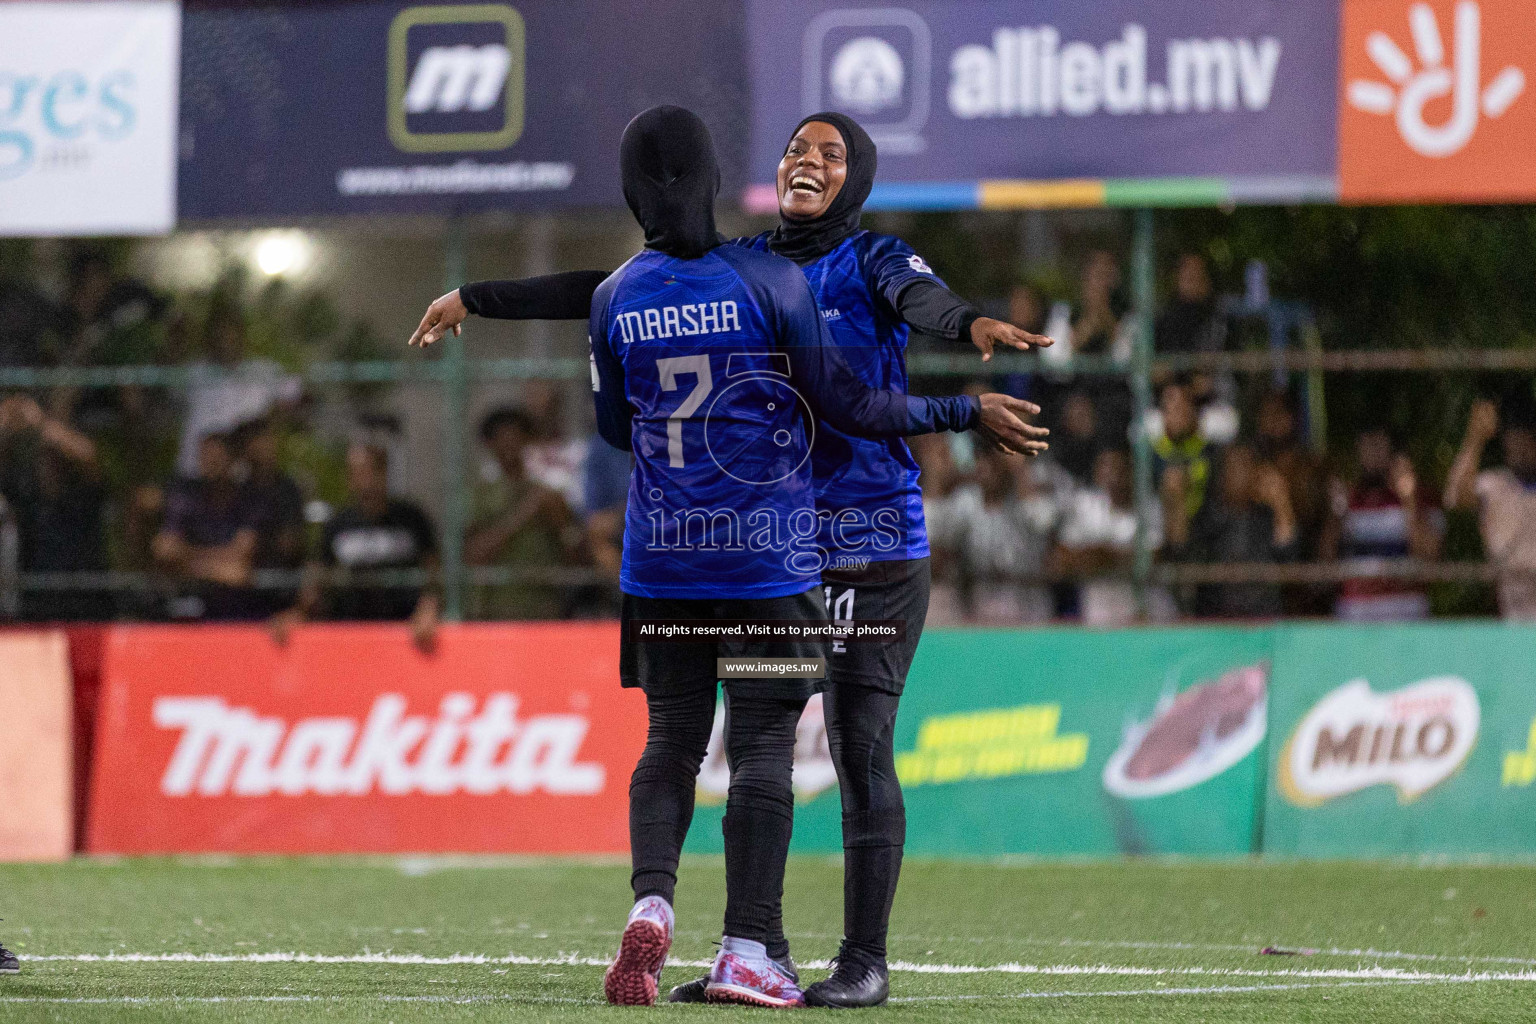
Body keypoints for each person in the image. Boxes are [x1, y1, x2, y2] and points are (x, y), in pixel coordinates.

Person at [410, 110, 1052, 1009]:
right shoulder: (754, 264)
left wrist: (970, 322)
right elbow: (617, 281)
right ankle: (757, 948)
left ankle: (860, 960)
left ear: (857, 178)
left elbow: (923, 302)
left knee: (851, 750)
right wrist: (486, 296)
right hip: (784, 555)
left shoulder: (874, 259)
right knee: (762, 743)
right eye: (795, 147)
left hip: (864, 546)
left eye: (831, 155)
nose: (807, 161)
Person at [271, 442, 440, 651]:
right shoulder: (337, 525)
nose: (364, 482)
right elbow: (317, 575)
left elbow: (433, 570)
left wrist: (428, 607)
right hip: (351, 633)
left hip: (405, 632)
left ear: (384, 472)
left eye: (370, 471)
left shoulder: (411, 518)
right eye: (357, 473)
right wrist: (300, 610)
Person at [0, 395, 110, 621]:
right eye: (42, 457)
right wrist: (5, 425)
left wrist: (39, 422)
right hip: (34, 605)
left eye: (53, 458)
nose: (46, 464)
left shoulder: (83, 494)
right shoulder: (26, 494)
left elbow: (87, 456)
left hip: (86, 604)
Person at [465, 406, 579, 620]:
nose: (510, 445)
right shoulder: (478, 497)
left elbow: (575, 556)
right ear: (489, 444)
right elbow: (472, 555)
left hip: (545, 609)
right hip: (493, 610)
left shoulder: (549, 495)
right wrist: (524, 512)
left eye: (517, 437)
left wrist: (563, 523)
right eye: (501, 438)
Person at [1320, 427, 1443, 621]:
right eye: (1366, 447)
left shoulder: (1423, 498)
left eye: (1379, 446)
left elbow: (1429, 556)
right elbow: (1325, 560)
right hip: (1354, 614)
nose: (1372, 455)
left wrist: (1409, 501)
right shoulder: (1347, 500)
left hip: (1405, 613)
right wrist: (1337, 514)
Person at [176, 301, 302, 478]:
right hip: (196, 475)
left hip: (244, 481)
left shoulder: (262, 370)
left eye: (230, 333)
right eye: (219, 334)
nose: (225, 340)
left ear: (241, 334)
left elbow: (295, 394)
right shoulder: (194, 371)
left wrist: (261, 430)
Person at [1173, 444, 1298, 618]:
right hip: (1216, 622)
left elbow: (1287, 556)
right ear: (1221, 475)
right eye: (1234, 466)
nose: (1242, 474)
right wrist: (1177, 501)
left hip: (1262, 621)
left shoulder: (1266, 516)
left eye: (1247, 465)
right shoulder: (1207, 517)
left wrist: (1280, 500)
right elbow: (1182, 556)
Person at [153, 433, 267, 621]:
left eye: (217, 459)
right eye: (205, 458)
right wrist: (218, 567)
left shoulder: (250, 501)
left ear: (232, 461)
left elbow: (241, 565)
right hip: (188, 609)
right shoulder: (185, 498)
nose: (210, 464)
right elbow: (164, 551)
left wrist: (186, 560)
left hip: (239, 613)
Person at [1445, 399, 1536, 620]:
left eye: (1525, 440)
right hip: (1514, 615)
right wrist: (1475, 438)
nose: (1519, 448)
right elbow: (1455, 498)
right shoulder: (1493, 485)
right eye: (1513, 440)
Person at [234, 417, 307, 616]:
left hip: (281, 592)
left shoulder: (288, 490)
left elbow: (289, 544)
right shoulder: (238, 491)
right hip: (240, 593)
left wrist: (256, 544)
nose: (266, 446)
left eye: (268, 439)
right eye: (257, 441)